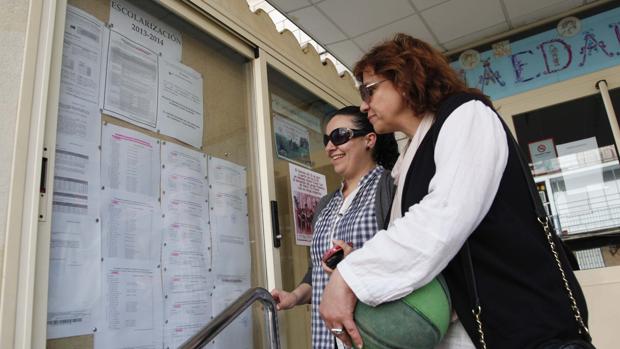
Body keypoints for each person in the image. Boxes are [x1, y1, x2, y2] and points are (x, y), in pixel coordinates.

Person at [319, 34, 590, 349]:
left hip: (522, 329)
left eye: (370, 90)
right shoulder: (409, 159)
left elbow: (443, 218)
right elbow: (423, 248)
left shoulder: (467, 115)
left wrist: (351, 276)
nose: (364, 105)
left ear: (404, 79)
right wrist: (361, 260)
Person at [271, 106, 399, 349]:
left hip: (372, 334)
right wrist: (294, 296)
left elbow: (408, 259)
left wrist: (356, 263)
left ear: (369, 140)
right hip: (326, 339)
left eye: (339, 136)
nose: (330, 147)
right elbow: (317, 272)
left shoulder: (390, 188)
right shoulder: (326, 204)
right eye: (326, 140)